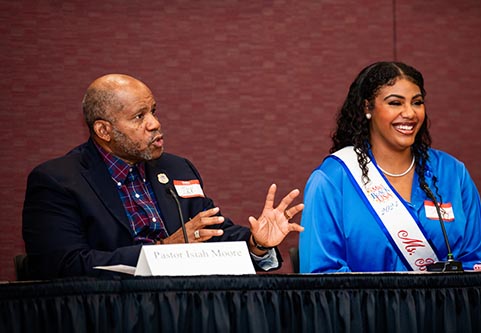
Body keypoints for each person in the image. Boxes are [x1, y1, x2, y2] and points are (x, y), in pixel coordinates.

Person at [22, 74, 304, 279]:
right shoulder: (57, 181)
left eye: (153, 111)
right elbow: (61, 264)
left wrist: (257, 243)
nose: (155, 124)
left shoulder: (177, 169)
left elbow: (210, 232)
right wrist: (163, 251)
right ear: (103, 131)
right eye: (139, 116)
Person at [299, 61, 481, 273]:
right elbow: (322, 275)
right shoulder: (333, 179)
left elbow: (478, 260)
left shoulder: (453, 173)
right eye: (395, 103)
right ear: (367, 108)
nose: (409, 113)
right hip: (363, 306)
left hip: (447, 305)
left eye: (417, 103)